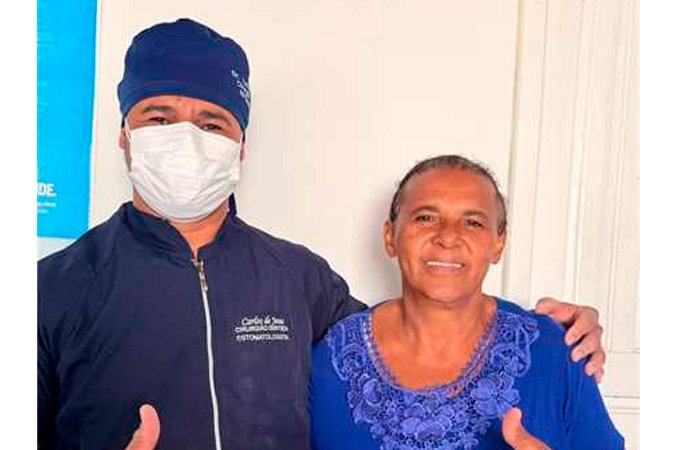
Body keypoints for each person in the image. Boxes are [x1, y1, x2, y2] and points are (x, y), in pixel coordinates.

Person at [38, 18, 606, 450]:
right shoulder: (48, 291)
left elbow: (419, 331)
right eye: (159, 118)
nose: (186, 138)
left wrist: (564, 332)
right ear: (125, 135)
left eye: (212, 123)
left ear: (240, 147)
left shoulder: (298, 277)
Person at [310, 155, 624, 449]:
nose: (448, 237)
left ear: (498, 243)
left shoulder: (554, 351)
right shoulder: (330, 359)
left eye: (472, 222)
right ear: (390, 236)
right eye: (425, 218)